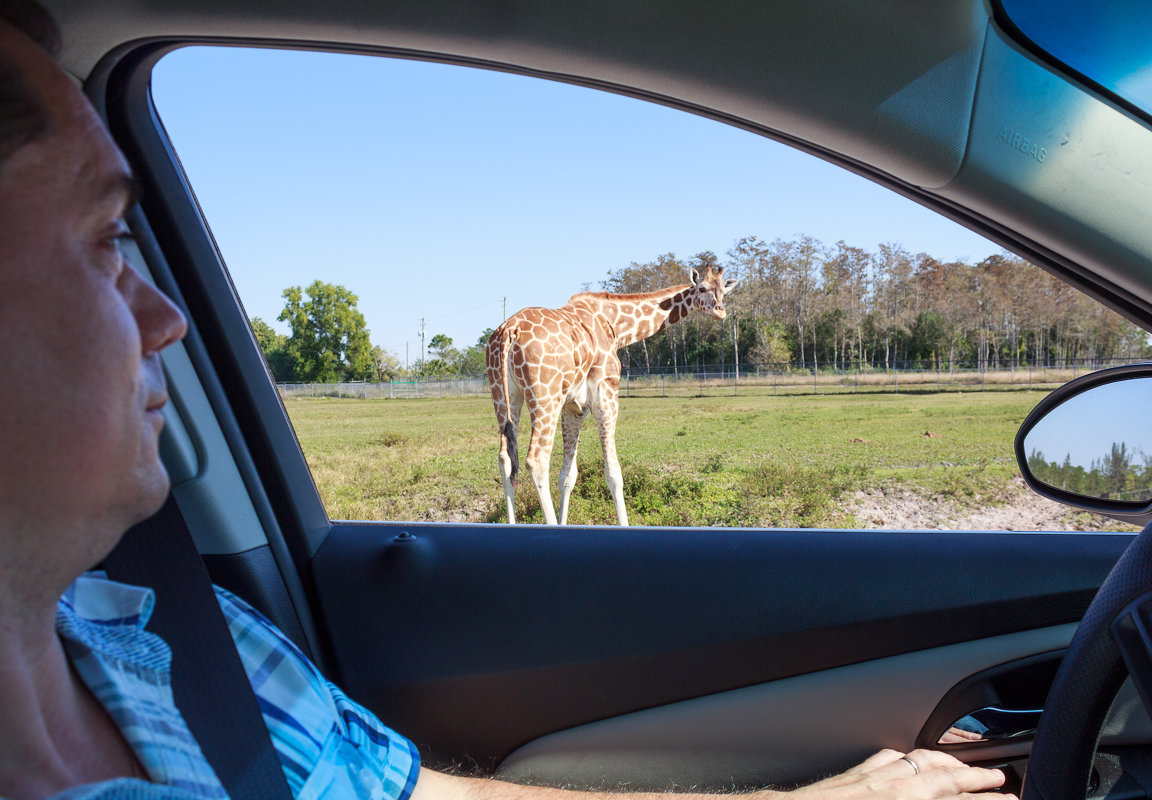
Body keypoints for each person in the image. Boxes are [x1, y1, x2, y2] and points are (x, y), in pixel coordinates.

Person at [0, 2, 1016, 798]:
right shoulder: (580, 336)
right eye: (103, 242)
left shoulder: (181, 632)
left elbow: (432, 792)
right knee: (548, 452)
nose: (169, 318)